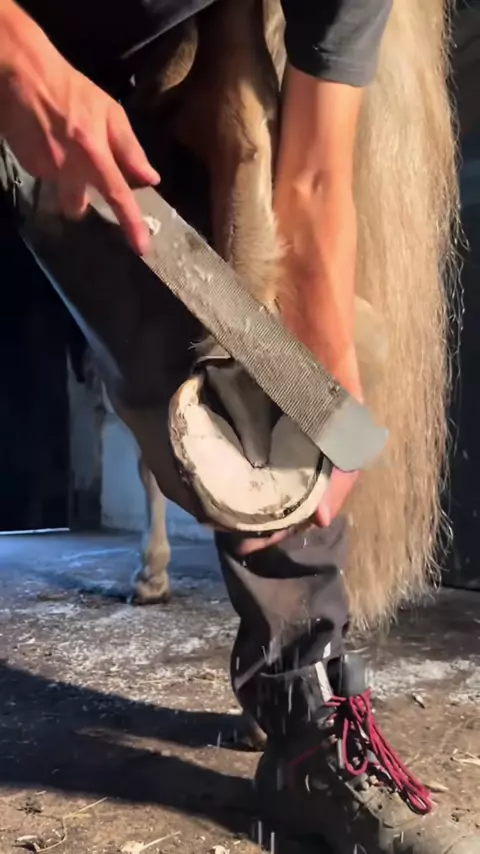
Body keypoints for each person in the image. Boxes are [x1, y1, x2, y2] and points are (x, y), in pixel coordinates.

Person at [0, 0, 474, 851]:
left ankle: (307, 713)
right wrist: (11, 53)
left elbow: (313, 182)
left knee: (265, 398)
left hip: (187, 32)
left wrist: (317, 378)